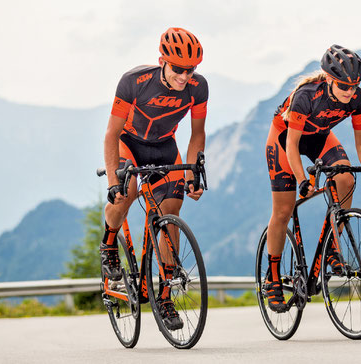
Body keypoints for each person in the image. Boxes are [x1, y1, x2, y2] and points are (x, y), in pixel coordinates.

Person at [263, 45, 361, 312]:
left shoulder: (357, 99)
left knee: (345, 177)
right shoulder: (306, 97)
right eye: (344, 86)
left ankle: (332, 248)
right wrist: (303, 180)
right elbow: (292, 146)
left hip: (319, 137)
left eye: (355, 86)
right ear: (329, 79)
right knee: (283, 211)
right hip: (285, 141)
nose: (350, 92)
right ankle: (271, 279)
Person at [100, 27, 208, 330]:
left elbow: (197, 134)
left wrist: (191, 175)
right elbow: (110, 134)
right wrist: (112, 181)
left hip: (164, 148)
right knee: (127, 192)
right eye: (178, 69)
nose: (185, 76)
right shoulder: (135, 82)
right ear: (162, 60)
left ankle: (165, 297)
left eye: (191, 70)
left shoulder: (198, 88)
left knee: (170, 212)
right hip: (129, 144)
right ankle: (109, 243)